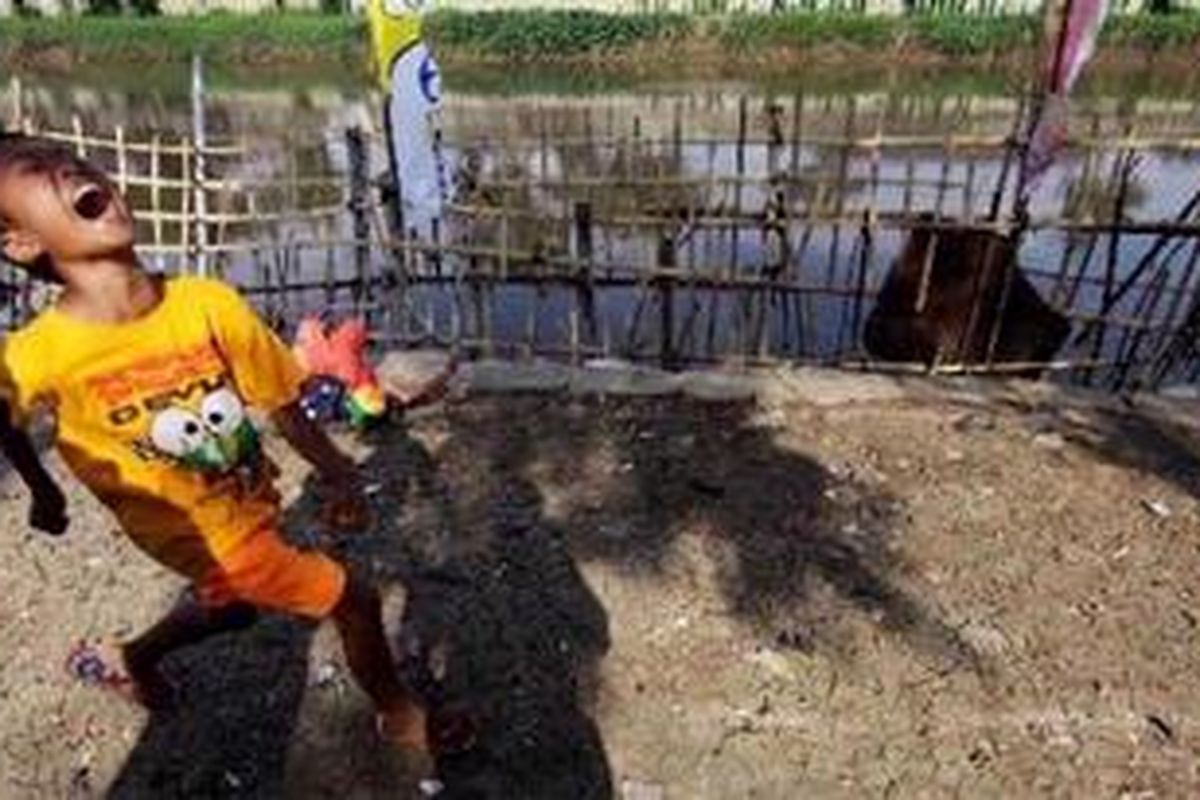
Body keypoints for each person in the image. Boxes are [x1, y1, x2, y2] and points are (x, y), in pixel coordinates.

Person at [0, 133, 443, 762]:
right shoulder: (36, 353)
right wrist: (42, 491)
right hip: (192, 530)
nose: (69, 168)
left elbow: (283, 404)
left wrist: (341, 474)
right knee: (357, 599)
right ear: (20, 243)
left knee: (231, 610)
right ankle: (399, 715)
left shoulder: (206, 302)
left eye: (73, 161)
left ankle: (130, 659)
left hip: (245, 499)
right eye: (41, 173)